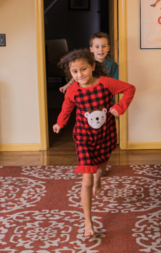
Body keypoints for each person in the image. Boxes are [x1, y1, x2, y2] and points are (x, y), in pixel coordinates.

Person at [53, 48, 135, 237]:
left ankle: (99, 177)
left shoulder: (106, 84)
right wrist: (59, 123)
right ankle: (88, 222)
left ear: (92, 67)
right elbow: (66, 109)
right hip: (83, 138)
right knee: (86, 179)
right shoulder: (73, 90)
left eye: (83, 69)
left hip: (105, 135)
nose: (79, 74)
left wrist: (119, 106)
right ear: (70, 74)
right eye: (74, 72)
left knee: (102, 165)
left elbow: (130, 89)